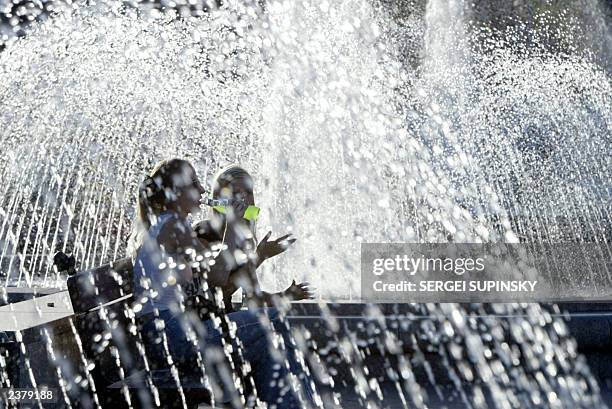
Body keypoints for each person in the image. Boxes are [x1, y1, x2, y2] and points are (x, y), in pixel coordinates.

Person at [128, 159, 314, 408]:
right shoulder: (174, 225)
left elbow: (216, 276)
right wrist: (236, 229)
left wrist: (247, 242)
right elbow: (217, 278)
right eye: (195, 183)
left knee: (268, 346)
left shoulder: (174, 225)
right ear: (176, 191)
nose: (203, 191)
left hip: (176, 333)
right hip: (171, 339)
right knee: (272, 321)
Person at [195, 164, 314, 310]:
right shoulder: (204, 232)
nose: (244, 197)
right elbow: (215, 287)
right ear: (220, 200)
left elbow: (253, 299)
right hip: (206, 321)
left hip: (227, 318)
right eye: (236, 192)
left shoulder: (244, 240)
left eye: (248, 192)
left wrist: (288, 295)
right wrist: (260, 255)